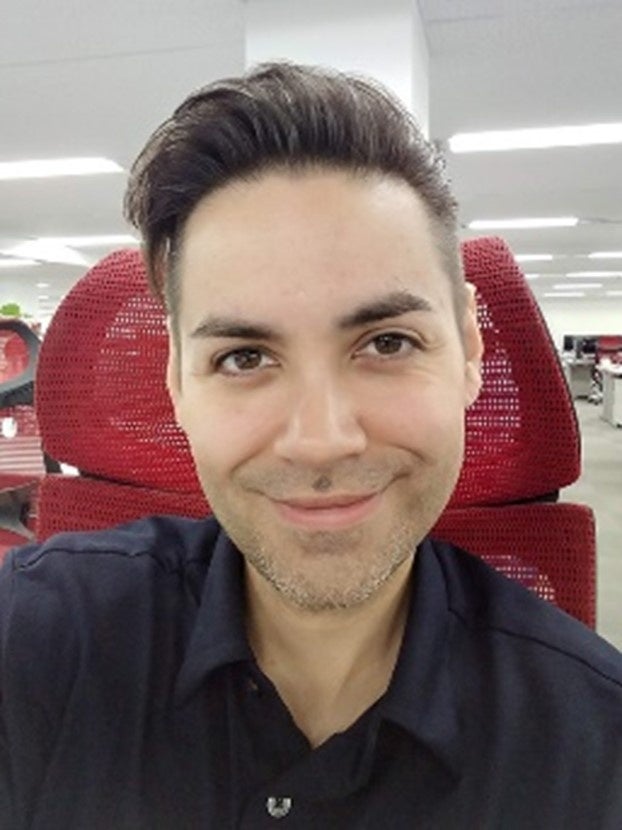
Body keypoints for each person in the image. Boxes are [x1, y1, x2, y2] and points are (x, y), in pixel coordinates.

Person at [1, 63, 621, 830]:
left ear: (468, 349)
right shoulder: (33, 636)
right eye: (244, 357)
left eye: (388, 342)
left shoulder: (595, 747)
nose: (321, 442)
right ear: (177, 381)